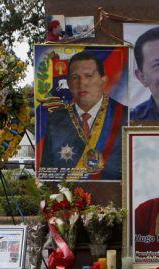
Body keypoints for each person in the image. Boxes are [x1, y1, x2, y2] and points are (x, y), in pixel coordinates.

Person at [39, 51, 127, 180]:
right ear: (68, 83)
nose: (82, 83)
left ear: (103, 80)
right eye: (75, 77)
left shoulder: (123, 115)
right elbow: (46, 171)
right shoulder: (56, 119)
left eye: (89, 76)